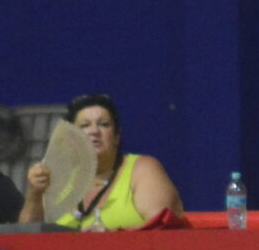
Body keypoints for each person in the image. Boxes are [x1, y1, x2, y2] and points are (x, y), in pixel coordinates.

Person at [25, 94, 184, 230]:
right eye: (85, 125)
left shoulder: (143, 170)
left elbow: (162, 231)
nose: (94, 131)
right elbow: (25, 237)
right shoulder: (57, 177)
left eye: (103, 124)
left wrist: (106, 240)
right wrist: (35, 194)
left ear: (116, 137)